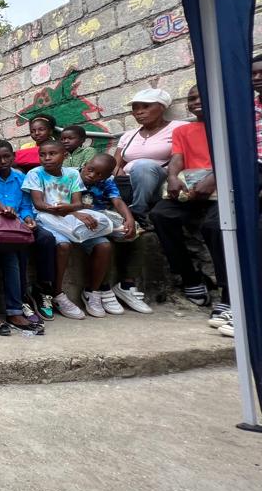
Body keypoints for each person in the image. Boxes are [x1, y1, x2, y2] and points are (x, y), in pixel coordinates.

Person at [148, 86, 227, 321]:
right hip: (191, 188)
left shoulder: (227, 124)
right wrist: (172, 178)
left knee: (214, 227)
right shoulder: (184, 130)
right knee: (161, 215)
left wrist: (213, 180)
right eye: (191, 98)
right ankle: (189, 277)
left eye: (200, 96)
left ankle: (228, 294)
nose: (195, 102)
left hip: (221, 188)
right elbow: (177, 158)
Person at [22, 141, 107, 319]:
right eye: (43, 155)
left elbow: (77, 202)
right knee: (63, 246)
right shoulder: (35, 173)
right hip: (46, 218)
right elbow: (39, 204)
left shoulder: (72, 174)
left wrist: (73, 211)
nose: (47, 158)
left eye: (52, 154)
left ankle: (93, 291)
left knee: (104, 245)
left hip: (69, 217)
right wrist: (72, 211)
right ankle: (57, 293)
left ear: (65, 155)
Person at [0, 140, 56, 323]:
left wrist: (28, 218)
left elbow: (26, 205)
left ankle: (43, 288)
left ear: (13, 156)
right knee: (19, 246)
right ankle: (21, 296)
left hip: (19, 222)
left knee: (47, 238)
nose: (2, 161)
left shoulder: (20, 178)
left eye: (6, 156)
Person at [113, 87, 184, 227]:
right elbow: (115, 163)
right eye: (135, 108)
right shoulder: (128, 135)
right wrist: (118, 172)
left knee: (143, 166)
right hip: (129, 184)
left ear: (162, 107)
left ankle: (139, 211)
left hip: (161, 182)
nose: (139, 112)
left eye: (146, 106)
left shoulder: (178, 128)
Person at [78, 152, 137, 315]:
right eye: (90, 170)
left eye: (99, 174)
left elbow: (116, 200)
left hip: (101, 216)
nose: (92, 175)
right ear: (85, 165)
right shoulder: (72, 176)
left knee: (131, 232)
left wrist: (129, 218)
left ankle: (125, 285)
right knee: (104, 245)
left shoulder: (108, 181)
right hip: (79, 218)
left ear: (107, 176)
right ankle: (98, 289)